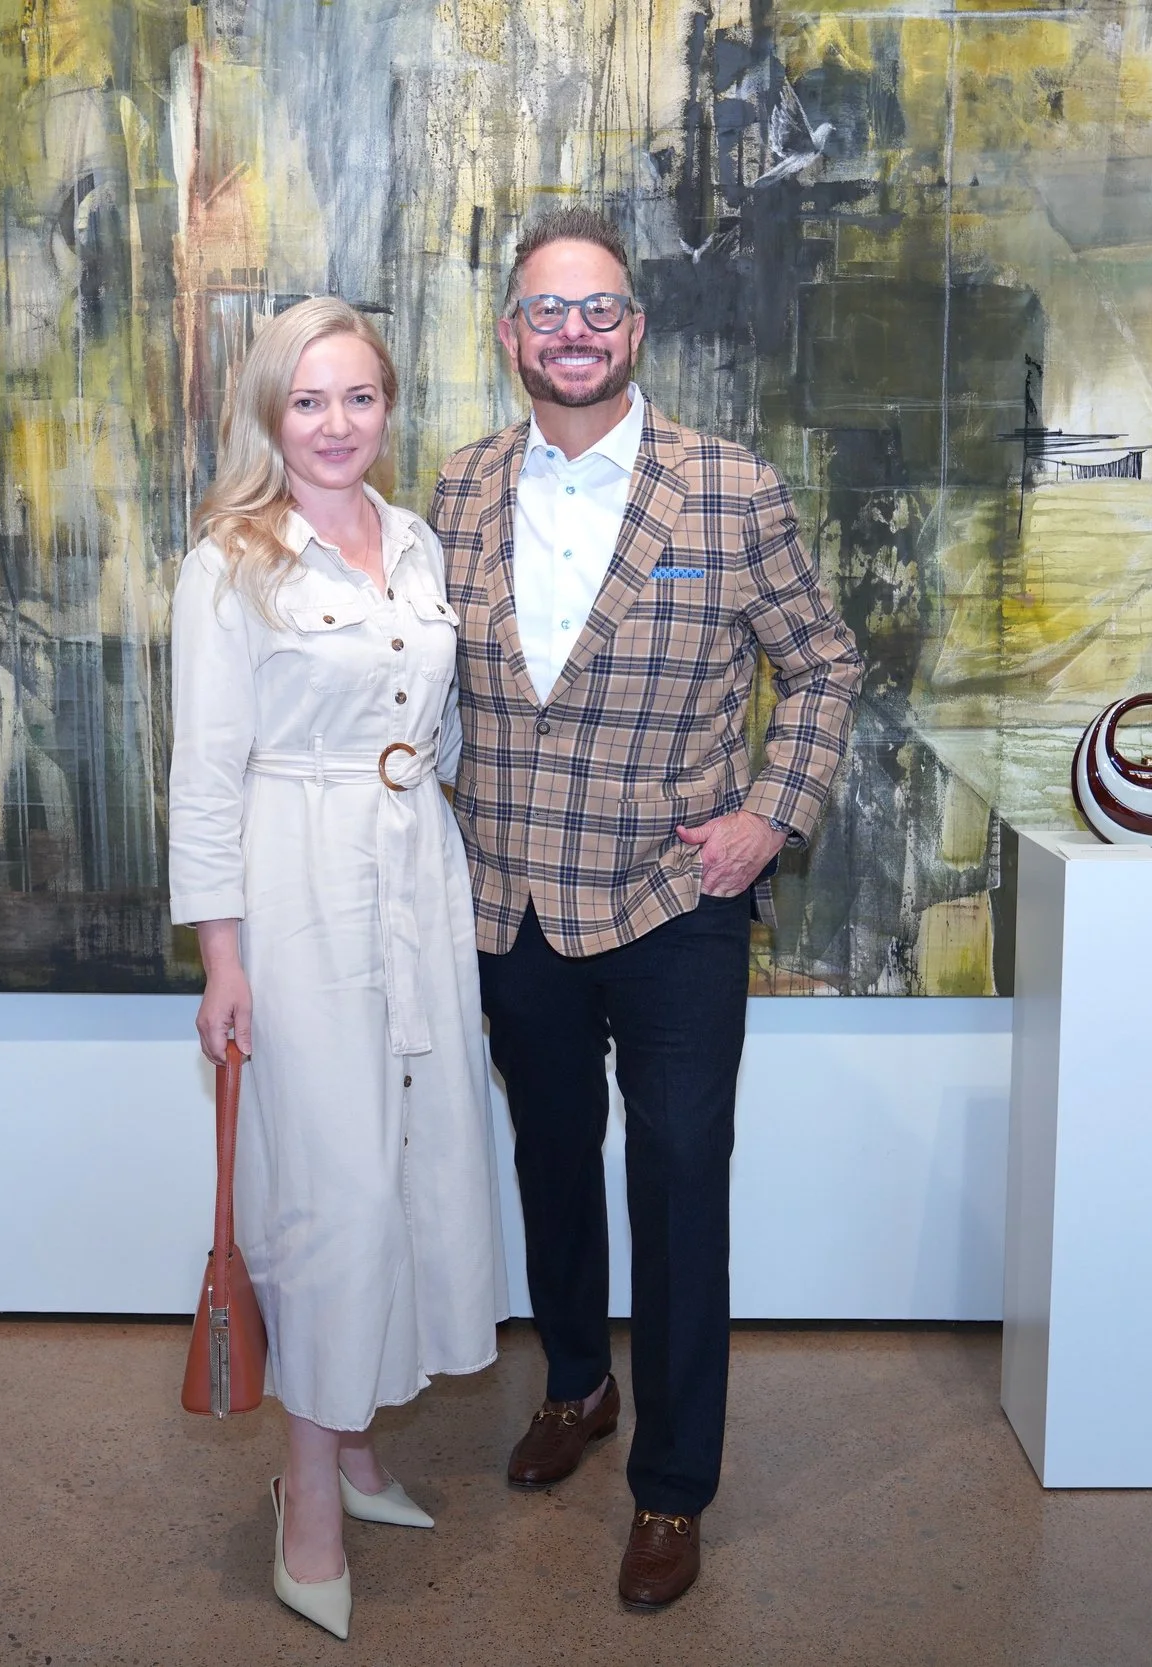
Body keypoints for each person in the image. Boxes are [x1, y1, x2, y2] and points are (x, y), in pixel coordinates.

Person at [431, 207, 864, 1609]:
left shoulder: (731, 489)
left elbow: (826, 665)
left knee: (678, 1177)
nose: (574, 333)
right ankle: (576, 1384)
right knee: (552, 1159)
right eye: (547, 311)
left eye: (600, 308)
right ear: (511, 334)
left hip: (681, 899)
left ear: (636, 327)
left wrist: (770, 816)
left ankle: (674, 1484)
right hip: (515, 899)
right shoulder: (454, 489)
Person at [168, 296, 506, 1641]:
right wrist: (222, 958)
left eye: (359, 397)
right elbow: (205, 772)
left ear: (387, 407)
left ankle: (359, 1446)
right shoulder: (230, 562)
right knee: (334, 1193)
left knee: (418, 1164)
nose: (335, 423)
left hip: (416, 868)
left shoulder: (415, 541)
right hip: (295, 883)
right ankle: (306, 1492)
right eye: (308, 400)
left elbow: (438, 719)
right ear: (270, 412)